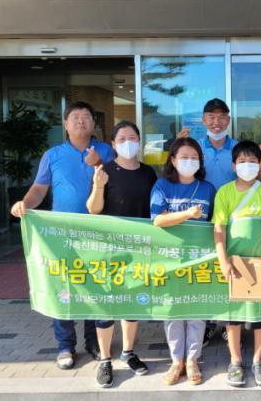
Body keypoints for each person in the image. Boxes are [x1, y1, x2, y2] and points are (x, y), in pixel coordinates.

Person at [10, 101, 114, 370]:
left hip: (97, 230)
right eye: (75, 117)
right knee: (64, 286)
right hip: (62, 233)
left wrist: (98, 162)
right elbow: (39, 189)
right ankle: (65, 345)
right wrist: (24, 204)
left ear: (94, 123)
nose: (81, 121)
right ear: (66, 124)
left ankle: (94, 341)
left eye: (86, 116)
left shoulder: (106, 150)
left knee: (95, 285)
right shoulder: (53, 155)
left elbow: (118, 180)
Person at [178, 98, 261, 345]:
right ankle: (209, 322)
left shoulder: (239, 148)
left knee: (234, 265)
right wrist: (178, 146)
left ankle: (236, 319)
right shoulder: (195, 147)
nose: (216, 122)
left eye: (221, 117)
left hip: (235, 217)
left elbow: (255, 180)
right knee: (210, 268)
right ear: (203, 120)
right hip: (201, 213)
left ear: (228, 120)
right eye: (211, 117)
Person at [86, 120, 157, 388]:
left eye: (133, 138)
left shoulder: (148, 172)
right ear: (113, 144)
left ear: (140, 141)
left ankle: (128, 352)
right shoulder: (105, 171)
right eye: (122, 139)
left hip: (138, 247)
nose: (128, 143)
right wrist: (98, 186)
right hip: (109, 248)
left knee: (132, 302)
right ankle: (105, 360)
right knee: (106, 305)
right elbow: (93, 209)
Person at [150, 137, 216, 386]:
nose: (189, 161)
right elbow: (157, 219)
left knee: (197, 311)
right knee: (173, 311)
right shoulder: (162, 185)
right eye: (184, 157)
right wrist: (187, 214)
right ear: (173, 160)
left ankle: (192, 360)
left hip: (199, 258)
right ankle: (176, 360)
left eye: (194, 157)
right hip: (169, 258)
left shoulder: (208, 188)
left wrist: (174, 216)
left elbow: (213, 222)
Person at [212, 141, 261, 387]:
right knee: (234, 316)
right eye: (242, 161)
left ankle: (259, 361)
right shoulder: (224, 192)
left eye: (252, 161)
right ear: (233, 165)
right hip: (234, 263)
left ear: (260, 164)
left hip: (259, 262)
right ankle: (235, 361)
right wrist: (223, 261)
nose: (247, 165)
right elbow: (219, 229)